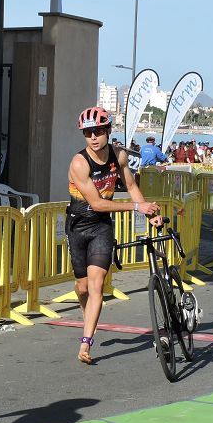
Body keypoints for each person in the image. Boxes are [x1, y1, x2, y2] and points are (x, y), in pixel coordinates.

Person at [67, 106, 161, 364]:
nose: (93, 137)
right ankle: (86, 311)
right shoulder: (79, 163)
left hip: (101, 227)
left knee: (97, 284)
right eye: (88, 133)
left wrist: (149, 212)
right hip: (78, 224)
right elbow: (96, 203)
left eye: (98, 131)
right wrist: (136, 207)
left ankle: (86, 344)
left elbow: (131, 185)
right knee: (83, 286)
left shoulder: (119, 156)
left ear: (108, 130)